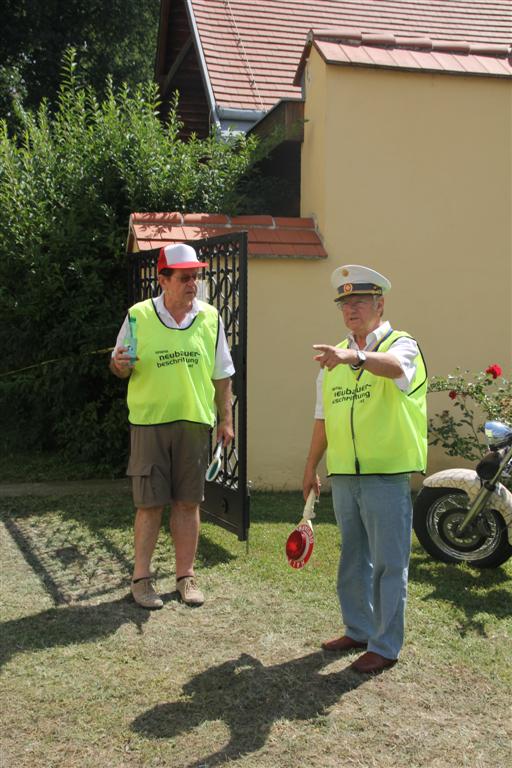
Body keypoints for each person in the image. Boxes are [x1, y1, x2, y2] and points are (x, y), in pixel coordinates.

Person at [303, 264, 427, 673]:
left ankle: (385, 645)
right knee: (354, 557)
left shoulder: (402, 343)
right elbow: (323, 418)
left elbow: (395, 369)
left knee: (390, 562)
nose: (350, 308)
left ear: (380, 304)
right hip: (345, 475)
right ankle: (358, 629)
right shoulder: (334, 356)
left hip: (386, 472)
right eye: (344, 302)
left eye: (358, 301)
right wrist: (310, 467)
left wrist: (353, 356)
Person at [110, 243, 235, 609]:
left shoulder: (210, 318)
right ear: (163, 280)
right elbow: (120, 365)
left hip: (195, 423)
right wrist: (119, 364)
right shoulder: (138, 316)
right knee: (149, 505)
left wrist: (225, 418)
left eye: (195, 276)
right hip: (150, 423)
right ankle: (141, 580)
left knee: (188, 503)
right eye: (184, 278)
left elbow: (223, 374)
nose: (192, 283)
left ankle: (185, 577)